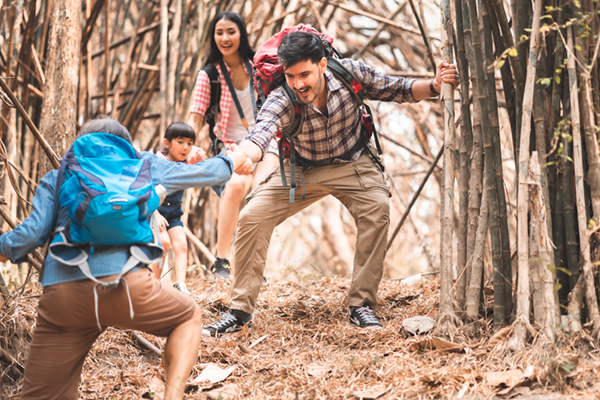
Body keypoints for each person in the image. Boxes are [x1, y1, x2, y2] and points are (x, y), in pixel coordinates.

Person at [202, 31, 460, 335]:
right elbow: (261, 133)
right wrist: (243, 156)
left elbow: (399, 89)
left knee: (377, 209)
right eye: (291, 75)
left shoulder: (351, 73)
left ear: (323, 64)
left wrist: (434, 85)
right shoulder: (281, 97)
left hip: (353, 163)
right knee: (251, 216)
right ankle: (239, 311)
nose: (299, 84)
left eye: (305, 74)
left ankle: (361, 305)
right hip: (302, 170)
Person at [0, 117, 251, 400]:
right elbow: (206, 173)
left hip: (62, 299)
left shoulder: (59, 175)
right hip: (128, 290)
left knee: (42, 395)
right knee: (188, 316)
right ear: (124, 145)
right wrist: (234, 159)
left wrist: (4, 250)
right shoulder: (141, 165)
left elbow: (30, 235)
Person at [188, 11, 279, 281]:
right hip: (230, 146)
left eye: (231, 31)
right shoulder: (209, 75)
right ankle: (222, 261)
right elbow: (195, 118)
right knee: (238, 185)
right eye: (219, 33)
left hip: (267, 142)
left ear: (242, 33)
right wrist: (187, 147)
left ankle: (253, 264)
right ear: (212, 36)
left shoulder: (260, 66)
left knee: (260, 193)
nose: (225, 38)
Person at [153, 122, 201, 296]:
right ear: (167, 143)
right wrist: (155, 213)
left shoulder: (185, 163)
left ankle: (180, 285)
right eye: (180, 142)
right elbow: (146, 190)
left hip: (173, 215)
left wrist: (200, 161)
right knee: (163, 244)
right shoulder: (157, 163)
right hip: (154, 213)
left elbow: (200, 173)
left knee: (181, 244)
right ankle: (154, 285)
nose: (185, 147)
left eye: (189, 143)